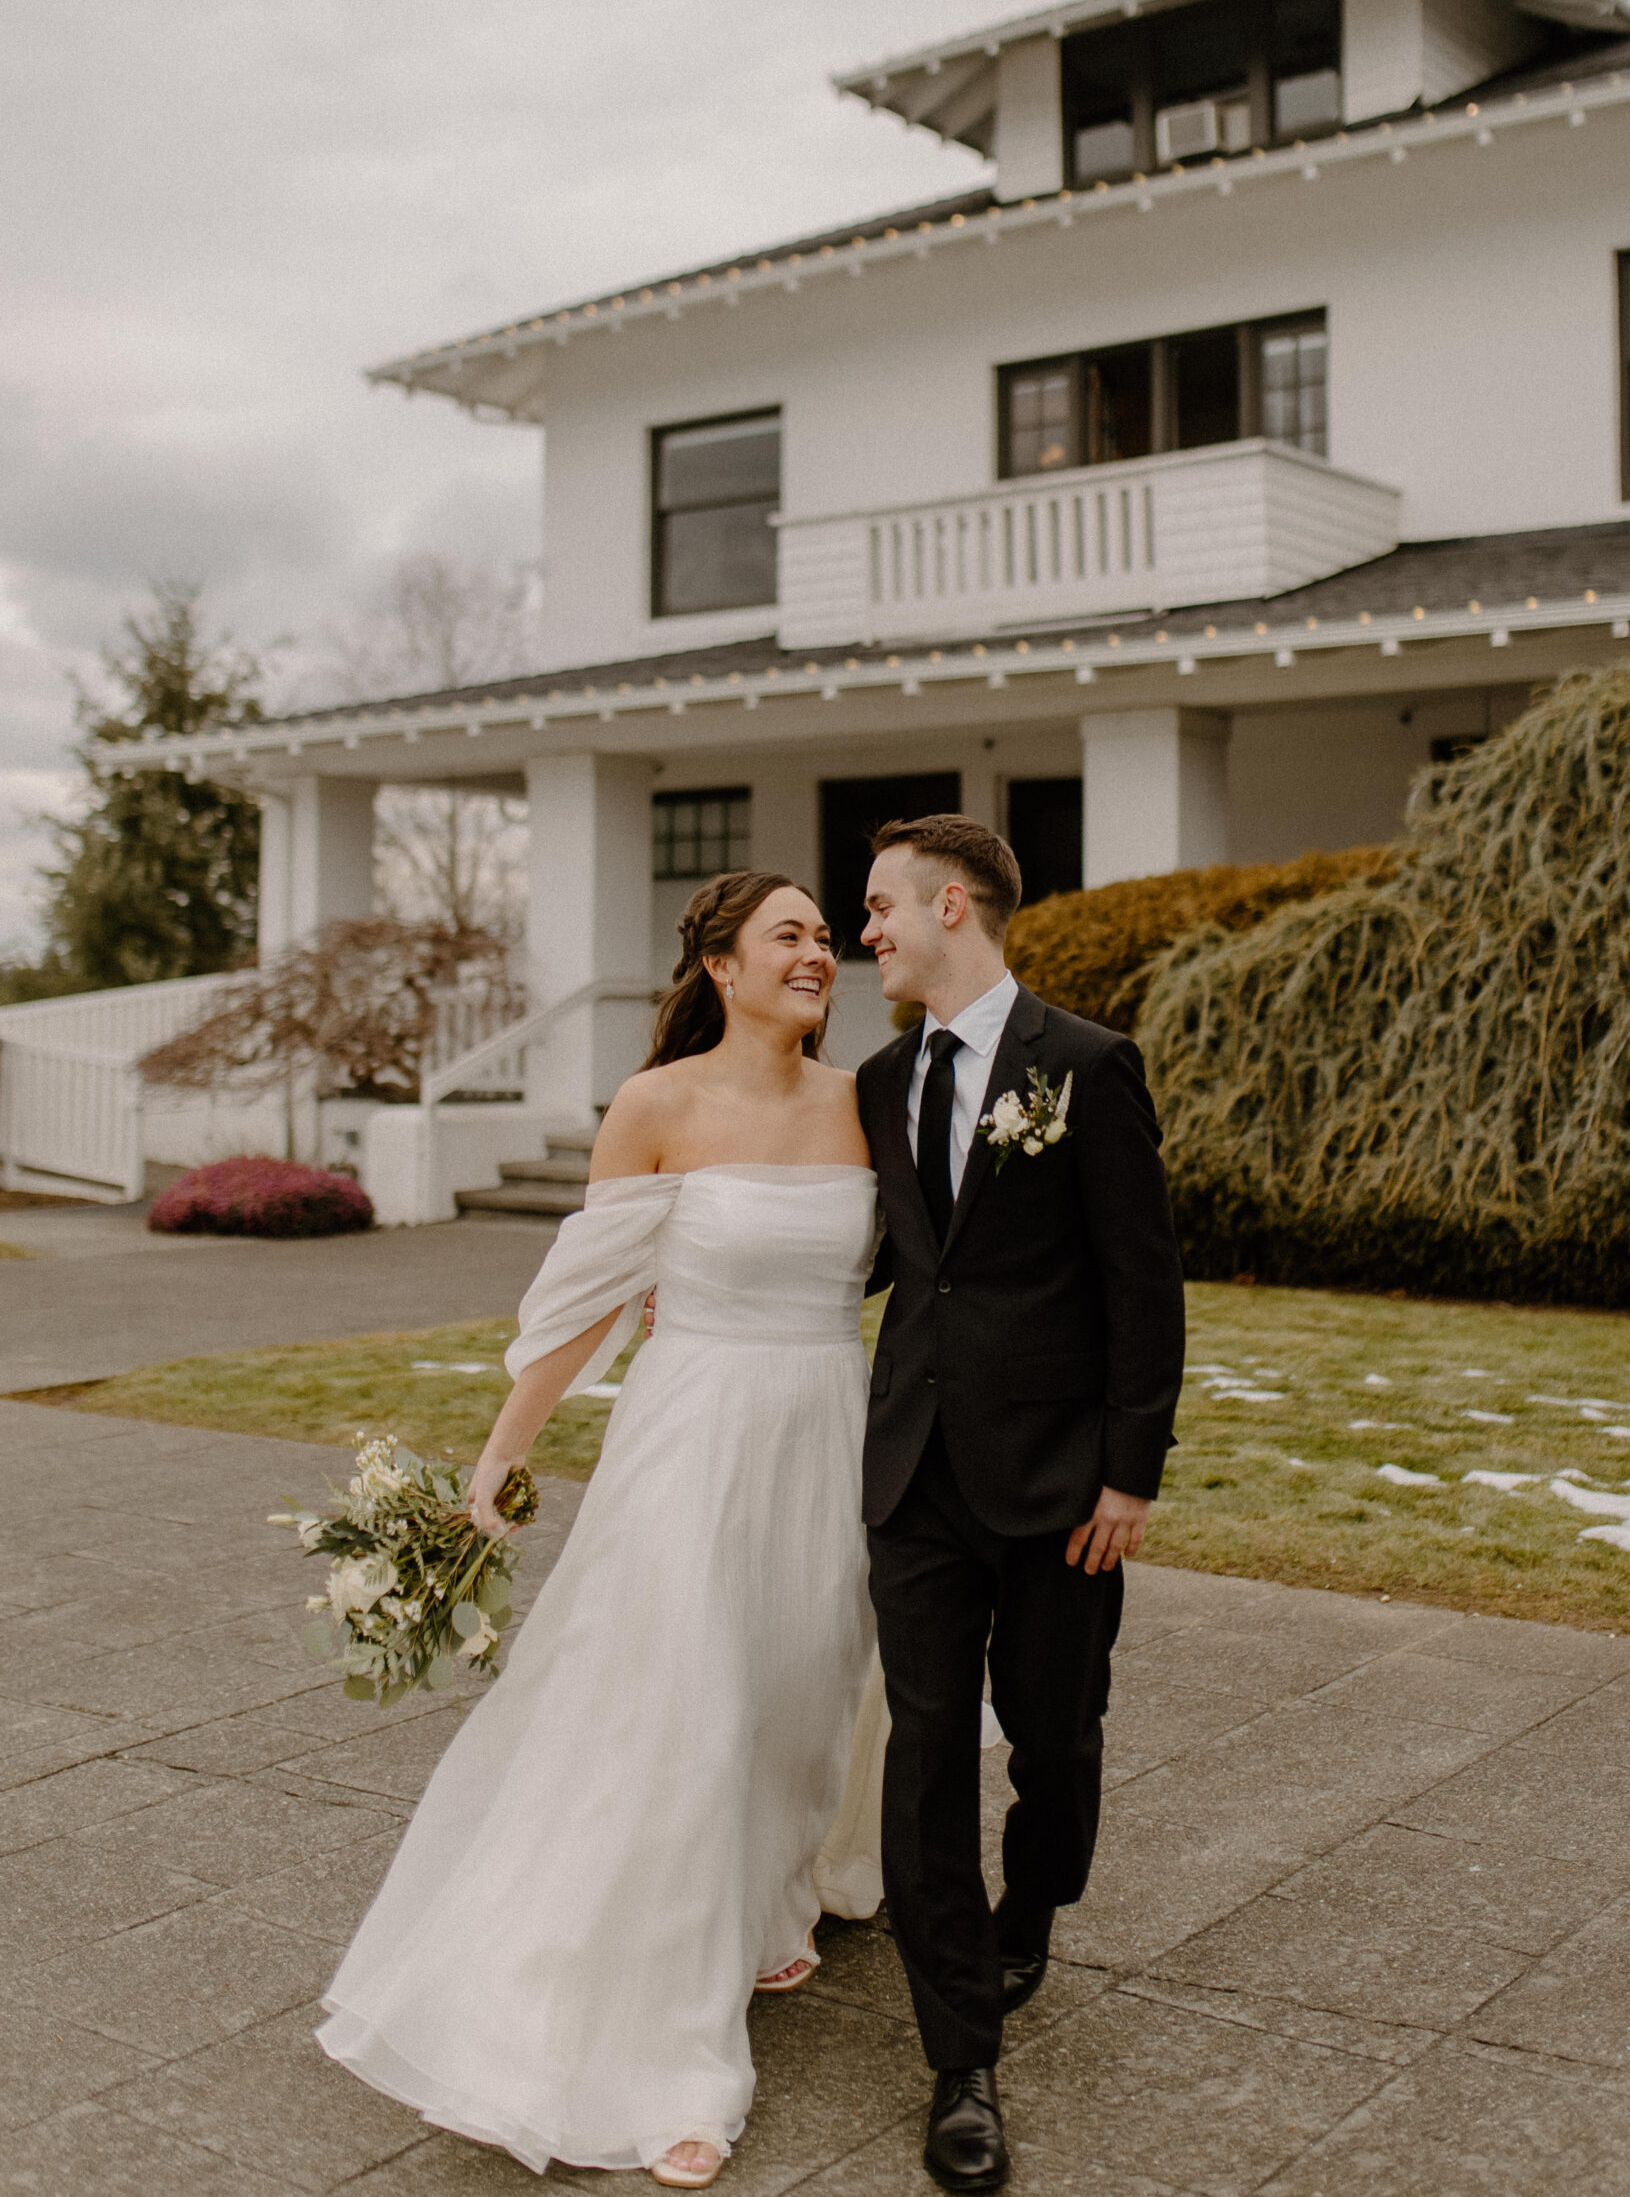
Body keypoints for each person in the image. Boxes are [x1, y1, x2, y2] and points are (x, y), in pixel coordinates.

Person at [318, 871, 883, 2189]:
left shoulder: (867, 1107)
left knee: (800, 1693)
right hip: (692, 1440)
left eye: (822, 937)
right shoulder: (655, 1106)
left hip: (829, 1431)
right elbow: (584, 1296)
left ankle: (769, 1899)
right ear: (722, 967)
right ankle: (674, 2050)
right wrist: (504, 1454)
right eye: (787, 936)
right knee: (687, 1711)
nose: (816, 956)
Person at [857, 815, 1185, 2194]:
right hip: (914, 1470)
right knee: (925, 1746)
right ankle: (961, 2056)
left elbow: (1140, 1280)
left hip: (1058, 1482)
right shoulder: (875, 1083)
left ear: (951, 905)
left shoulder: (1088, 1066)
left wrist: (1130, 1468)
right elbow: (881, 1259)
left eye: (877, 907)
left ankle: (1036, 1896)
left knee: (1054, 1738)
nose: (865, 931)